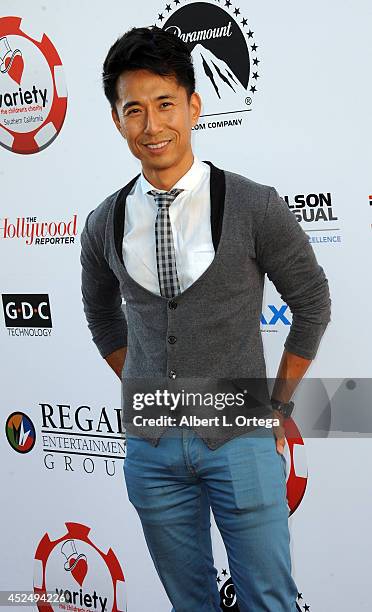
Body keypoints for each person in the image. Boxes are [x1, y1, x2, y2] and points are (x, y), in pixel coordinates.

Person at [80, 26, 331, 612]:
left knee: (269, 600)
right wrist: (144, 384)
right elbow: (101, 319)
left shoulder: (253, 204)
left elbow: (312, 302)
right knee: (188, 603)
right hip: (151, 450)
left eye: (165, 104)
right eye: (133, 110)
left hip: (241, 438)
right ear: (118, 122)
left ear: (193, 106)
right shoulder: (102, 223)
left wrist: (276, 405)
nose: (151, 125)